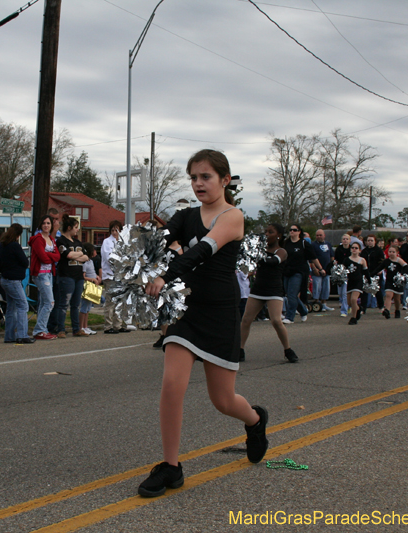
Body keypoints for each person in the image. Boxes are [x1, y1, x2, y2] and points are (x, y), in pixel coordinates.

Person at [138, 149, 268, 498]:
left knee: (223, 400)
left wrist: (164, 276)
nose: (198, 183)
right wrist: (140, 260)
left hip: (220, 312)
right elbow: (159, 243)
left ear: (225, 180)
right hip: (187, 310)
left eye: (205, 176)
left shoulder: (232, 216)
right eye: (193, 177)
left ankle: (255, 420)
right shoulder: (185, 215)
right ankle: (171, 466)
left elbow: (202, 252)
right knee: (171, 385)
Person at [239, 223, 298, 363]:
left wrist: (257, 256)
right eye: (265, 231)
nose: (266, 234)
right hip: (258, 288)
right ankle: (240, 350)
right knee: (246, 320)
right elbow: (247, 266)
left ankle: (288, 350)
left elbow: (273, 262)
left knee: (276, 321)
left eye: (270, 232)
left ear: (278, 236)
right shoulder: (260, 250)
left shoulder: (281, 251)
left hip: (274, 290)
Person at [52, 214, 90, 338]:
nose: (77, 230)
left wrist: (76, 255)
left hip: (79, 276)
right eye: (75, 227)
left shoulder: (78, 242)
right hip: (66, 275)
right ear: (69, 228)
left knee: (76, 304)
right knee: (63, 303)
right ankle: (61, 329)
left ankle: (76, 329)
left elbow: (86, 257)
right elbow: (67, 255)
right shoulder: (61, 241)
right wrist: (78, 255)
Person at [0, 224, 32, 344]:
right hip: (14, 280)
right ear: (18, 235)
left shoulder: (1, 245)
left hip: (4, 278)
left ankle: (9, 335)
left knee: (11, 307)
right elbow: (25, 261)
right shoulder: (15, 246)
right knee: (23, 305)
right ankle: (22, 334)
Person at [282, 223, 324, 324]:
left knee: (292, 294)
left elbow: (313, 258)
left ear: (299, 232)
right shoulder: (285, 243)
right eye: (290, 230)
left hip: (299, 272)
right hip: (287, 271)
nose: (292, 231)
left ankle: (290, 317)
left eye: (294, 230)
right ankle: (303, 311)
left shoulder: (304, 243)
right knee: (289, 294)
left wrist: (320, 268)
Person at [28, 214, 60, 341]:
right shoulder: (38, 239)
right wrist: (50, 255)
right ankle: (39, 329)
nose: (46, 225)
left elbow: (57, 256)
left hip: (49, 273)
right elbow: (43, 257)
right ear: (40, 225)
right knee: (50, 302)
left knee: (43, 302)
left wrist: (49, 255)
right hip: (40, 274)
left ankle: (41, 329)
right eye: (44, 223)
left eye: (48, 223)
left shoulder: (51, 239)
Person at [101, 220, 126, 334]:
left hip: (121, 276)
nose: (115, 232)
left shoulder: (122, 242)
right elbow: (109, 258)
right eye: (113, 230)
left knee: (120, 301)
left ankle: (118, 325)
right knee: (110, 301)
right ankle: (108, 325)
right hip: (110, 275)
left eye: (117, 230)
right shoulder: (107, 242)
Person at [371, 244, 408, 319]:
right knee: (388, 295)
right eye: (390, 251)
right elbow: (379, 268)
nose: (391, 253)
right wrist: (371, 274)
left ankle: (397, 310)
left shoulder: (399, 260)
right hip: (389, 281)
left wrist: (401, 274)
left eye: (393, 252)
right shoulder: (386, 261)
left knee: (397, 298)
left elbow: (406, 266)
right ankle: (387, 310)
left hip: (397, 282)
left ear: (397, 252)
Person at [79, 242, 100, 335]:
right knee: (84, 307)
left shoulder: (90, 261)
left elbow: (92, 272)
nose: (95, 252)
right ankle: (81, 327)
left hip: (92, 285)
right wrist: (92, 279)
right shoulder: (84, 263)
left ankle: (85, 326)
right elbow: (83, 276)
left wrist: (96, 276)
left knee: (88, 308)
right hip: (87, 286)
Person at [345, 242, 368, 325]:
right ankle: (358, 309)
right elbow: (343, 270)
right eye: (352, 248)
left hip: (358, 282)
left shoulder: (362, 260)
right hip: (350, 282)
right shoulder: (346, 260)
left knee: (354, 299)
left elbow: (366, 271)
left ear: (359, 250)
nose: (354, 249)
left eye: (356, 248)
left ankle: (353, 318)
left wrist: (369, 280)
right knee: (350, 303)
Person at [311, 229, 335, 311]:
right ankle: (317, 304)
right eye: (317, 235)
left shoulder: (328, 244)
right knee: (317, 288)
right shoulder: (313, 245)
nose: (319, 237)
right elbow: (311, 258)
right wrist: (314, 268)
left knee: (326, 288)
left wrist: (331, 267)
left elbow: (332, 256)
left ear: (324, 235)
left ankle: (324, 304)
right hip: (317, 271)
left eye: (320, 235)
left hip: (326, 270)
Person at [360, 234, 384, 310]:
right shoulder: (364, 251)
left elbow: (382, 262)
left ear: (375, 241)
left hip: (376, 273)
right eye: (368, 240)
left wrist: (379, 270)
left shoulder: (379, 251)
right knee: (364, 290)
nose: (370, 242)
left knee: (377, 290)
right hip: (366, 273)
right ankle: (363, 307)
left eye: (371, 240)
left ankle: (381, 306)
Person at [333, 234, 352, 317]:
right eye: (344, 239)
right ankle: (348, 305)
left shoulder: (351, 249)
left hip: (348, 272)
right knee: (340, 292)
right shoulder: (338, 249)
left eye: (347, 239)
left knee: (345, 293)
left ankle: (344, 311)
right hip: (340, 272)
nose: (345, 240)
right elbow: (335, 259)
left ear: (349, 240)